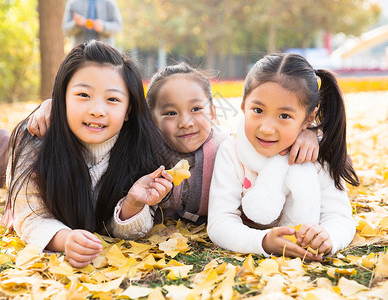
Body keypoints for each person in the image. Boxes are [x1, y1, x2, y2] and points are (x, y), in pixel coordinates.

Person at [25, 62, 320, 226]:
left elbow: (271, 131)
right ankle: (2, 146)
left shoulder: (227, 147)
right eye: (169, 113)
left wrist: (311, 133)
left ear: (214, 113)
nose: (186, 122)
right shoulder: (140, 151)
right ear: (150, 119)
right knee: (4, 162)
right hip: (30, 148)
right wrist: (51, 106)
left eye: (196, 109)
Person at [3, 40, 173, 268]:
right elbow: (30, 216)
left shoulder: (139, 149)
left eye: (113, 99)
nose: (97, 110)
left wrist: (132, 204)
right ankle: (1, 142)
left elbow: (121, 229)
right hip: (16, 159)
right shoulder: (35, 143)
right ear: (61, 98)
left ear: (128, 110)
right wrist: (64, 240)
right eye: (83, 94)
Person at [207, 53, 359, 261]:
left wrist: (328, 237)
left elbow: (340, 217)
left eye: (284, 116)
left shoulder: (316, 155)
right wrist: (263, 241)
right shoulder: (232, 152)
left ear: (308, 119)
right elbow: (220, 222)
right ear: (243, 106)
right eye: (258, 110)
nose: (267, 128)